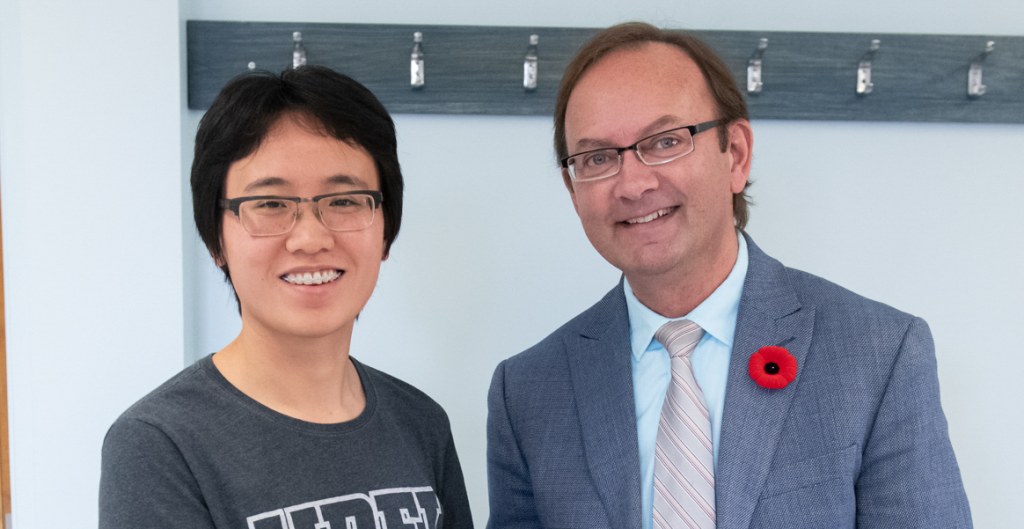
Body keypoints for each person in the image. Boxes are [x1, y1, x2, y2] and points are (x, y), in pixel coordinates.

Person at [486, 22, 971, 529]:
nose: (632, 183)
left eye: (665, 141)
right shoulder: (527, 392)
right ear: (572, 187)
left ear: (735, 154)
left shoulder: (878, 354)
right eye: (598, 158)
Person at [100, 66, 473, 529]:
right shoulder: (160, 443)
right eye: (271, 204)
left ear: (385, 231)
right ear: (217, 242)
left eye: (344, 201)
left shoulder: (421, 422)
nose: (311, 238)